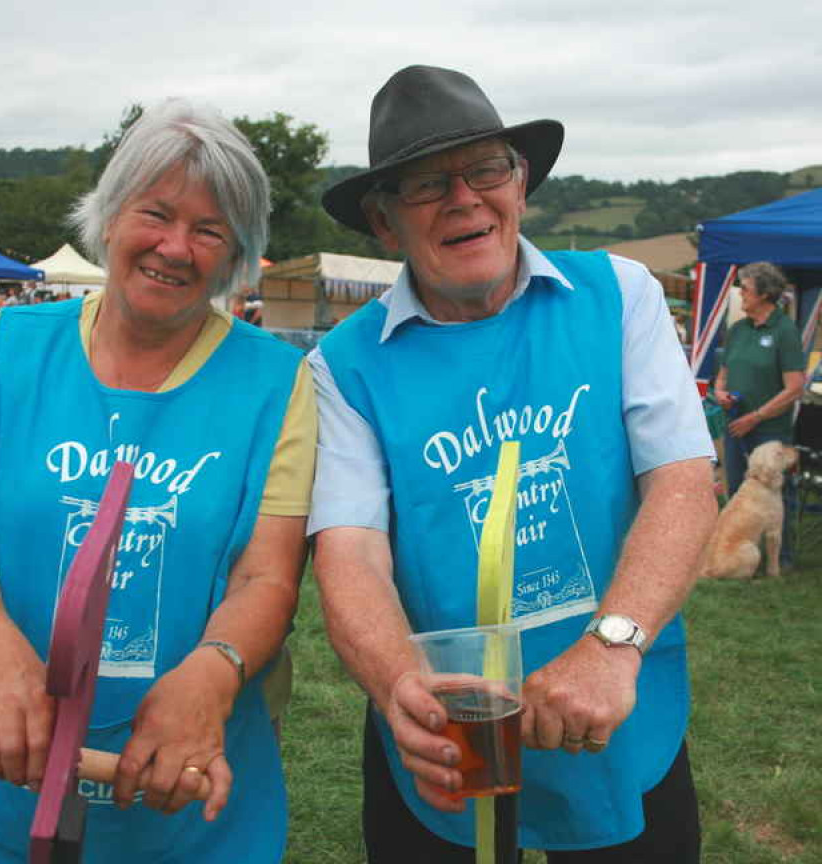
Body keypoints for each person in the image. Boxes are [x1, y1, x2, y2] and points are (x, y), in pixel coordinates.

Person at [0, 99, 317, 863]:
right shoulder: (4, 345)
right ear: (111, 216)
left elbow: (268, 575)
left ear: (238, 254)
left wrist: (210, 677)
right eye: (156, 213)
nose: (175, 247)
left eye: (210, 230)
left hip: (183, 784)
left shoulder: (279, 382)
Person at [308, 65, 717, 862]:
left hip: (620, 699)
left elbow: (682, 482)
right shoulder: (342, 366)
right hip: (441, 729)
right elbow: (350, 552)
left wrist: (611, 646)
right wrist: (401, 686)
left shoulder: (619, 294)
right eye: (426, 185)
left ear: (519, 183)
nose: (464, 198)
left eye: (486, 169)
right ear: (384, 223)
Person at [713, 261, 804, 568]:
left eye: (746, 289)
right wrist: (721, 392)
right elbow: (722, 374)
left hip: (769, 430)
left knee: (776, 497)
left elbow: (794, 387)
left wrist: (756, 416)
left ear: (765, 294)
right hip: (736, 425)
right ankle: (735, 556)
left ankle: (782, 559)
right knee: (739, 494)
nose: (741, 294)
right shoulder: (738, 329)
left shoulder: (784, 331)